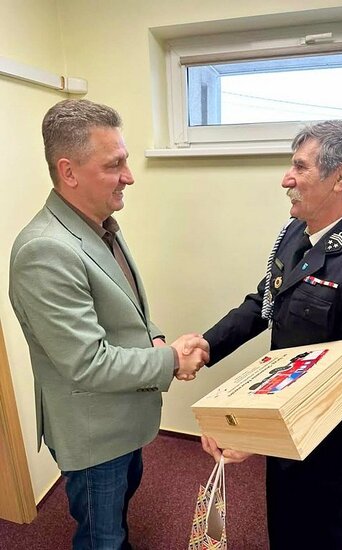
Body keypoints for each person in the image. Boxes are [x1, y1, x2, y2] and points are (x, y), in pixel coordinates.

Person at [200, 120, 342, 550]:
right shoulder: (299, 230)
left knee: (315, 536)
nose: (286, 179)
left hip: (327, 450)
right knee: (283, 527)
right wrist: (207, 345)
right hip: (285, 430)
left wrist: (261, 431)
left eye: (300, 167)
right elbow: (266, 299)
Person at [9, 99, 209, 550]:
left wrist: (155, 337)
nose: (129, 176)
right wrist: (170, 359)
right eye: (114, 164)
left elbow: (124, 308)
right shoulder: (46, 250)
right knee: (102, 538)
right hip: (94, 433)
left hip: (121, 417)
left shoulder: (98, 224)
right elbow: (87, 363)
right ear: (69, 172)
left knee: (115, 518)